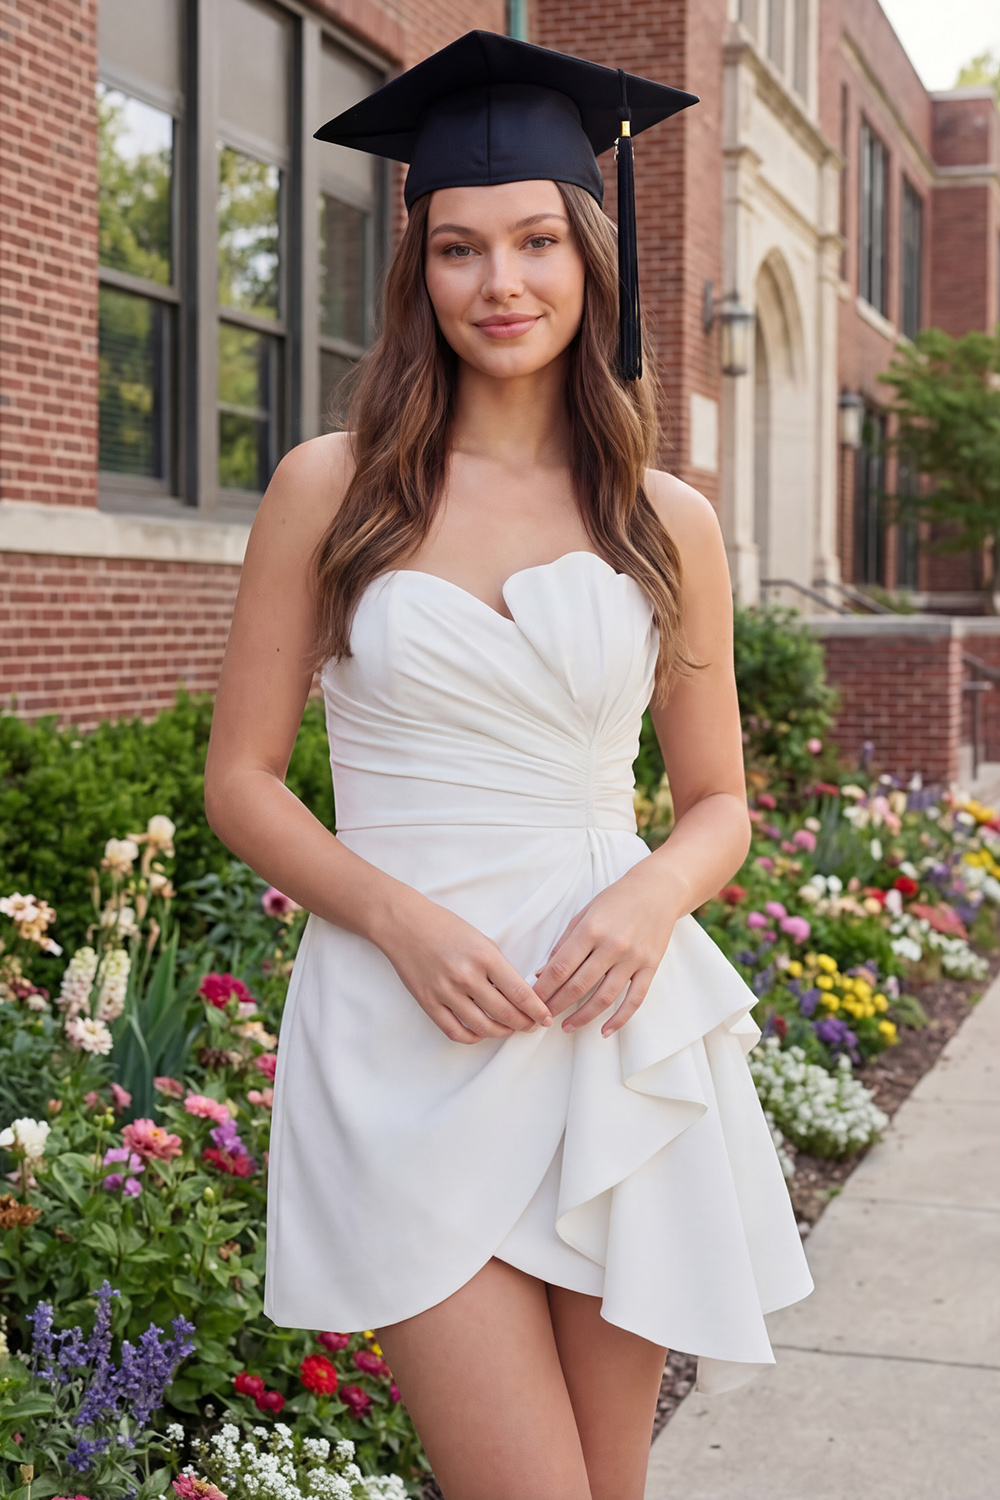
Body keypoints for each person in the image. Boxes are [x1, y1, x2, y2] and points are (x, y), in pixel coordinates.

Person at [204, 30, 814, 1500]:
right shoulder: (329, 488)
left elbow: (720, 799)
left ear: (591, 255)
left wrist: (658, 893)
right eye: (461, 248)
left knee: (609, 1487)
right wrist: (397, 920)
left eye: (537, 240)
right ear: (417, 266)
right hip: (409, 1033)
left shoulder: (666, 518)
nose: (503, 284)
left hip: (610, 1022)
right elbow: (243, 782)